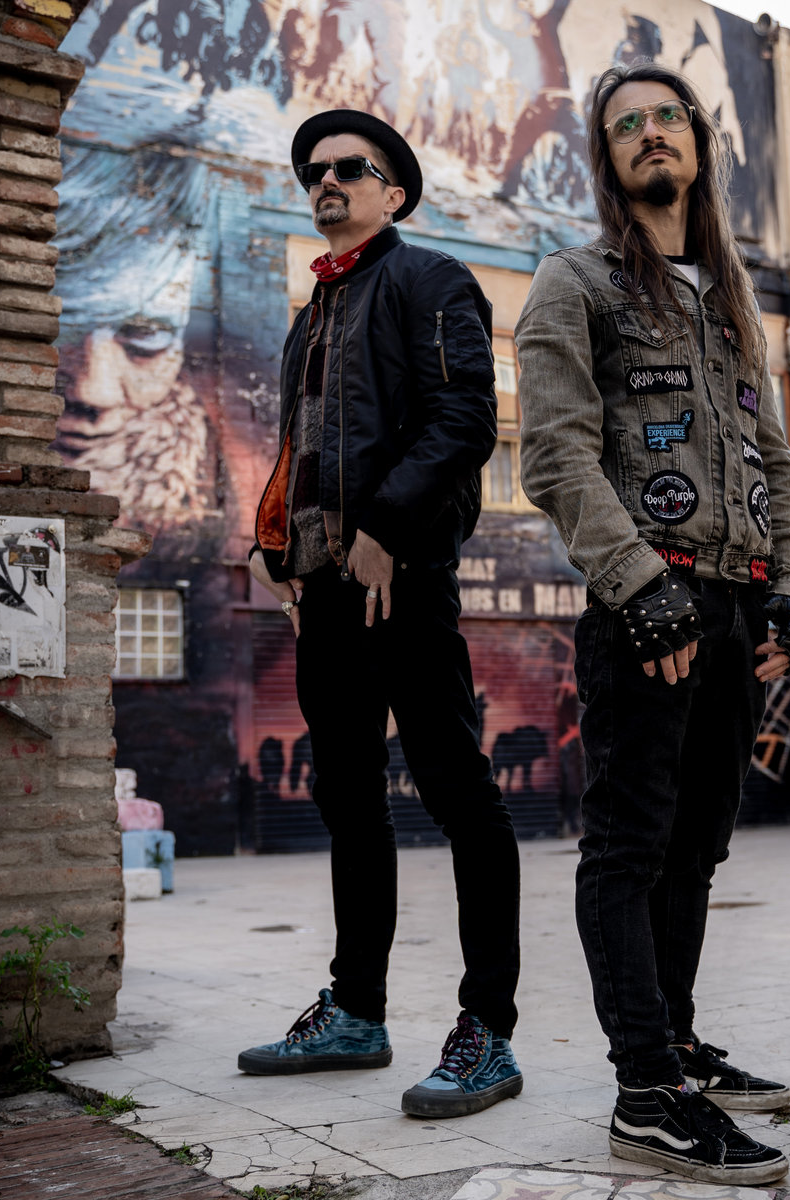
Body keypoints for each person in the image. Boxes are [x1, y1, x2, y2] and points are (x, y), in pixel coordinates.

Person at [515, 63, 790, 1184]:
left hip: (736, 609)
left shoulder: (731, 304)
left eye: (665, 116)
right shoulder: (574, 283)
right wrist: (642, 588)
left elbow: (774, 458)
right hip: (649, 609)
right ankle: (645, 1092)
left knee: (698, 846)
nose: (649, 132)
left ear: (697, 142)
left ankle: (678, 1049)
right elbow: (555, 455)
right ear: (608, 159)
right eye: (624, 125)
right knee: (630, 846)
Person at [242, 108, 523, 1119]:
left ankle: (488, 1031)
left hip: (401, 578)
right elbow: (304, 447)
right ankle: (357, 1013)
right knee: (347, 799)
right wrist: (272, 547)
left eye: (349, 168)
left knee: (457, 792)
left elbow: (466, 420)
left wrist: (388, 530)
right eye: (313, 172)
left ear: (393, 192)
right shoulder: (311, 316)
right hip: (323, 592)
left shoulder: (431, 280)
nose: (326, 181)